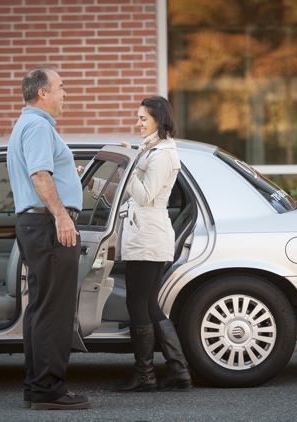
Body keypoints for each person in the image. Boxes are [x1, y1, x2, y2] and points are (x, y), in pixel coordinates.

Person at [89, 96, 192, 392]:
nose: (138, 123)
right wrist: (95, 183)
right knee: (148, 304)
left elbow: (145, 195)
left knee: (137, 303)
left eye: (143, 118)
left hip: (148, 235)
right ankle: (178, 371)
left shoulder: (162, 154)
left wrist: (130, 164)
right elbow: (128, 192)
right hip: (144, 233)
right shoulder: (150, 149)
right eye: (138, 118)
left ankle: (146, 375)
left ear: (159, 119)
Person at [7, 65, 90, 410]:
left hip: (35, 225)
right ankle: (50, 391)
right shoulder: (38, 126)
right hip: (48, 225)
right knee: (55, 309)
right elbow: (40, 175)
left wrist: (72, 173)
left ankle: (36, 387)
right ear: (43, 93)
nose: (64, 93)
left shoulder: (25, 125)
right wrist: (61, 216)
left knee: (41, 308)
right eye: (60, 87)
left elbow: (44, 172)